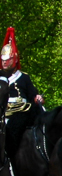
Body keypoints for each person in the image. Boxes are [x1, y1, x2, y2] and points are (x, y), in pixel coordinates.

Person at [2, 27, 45, 160]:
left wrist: (38, 98)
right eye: (3, 59)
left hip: (22, 111)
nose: (4, 62)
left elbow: (33, 94)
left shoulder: (23, 77)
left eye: (7, 59)